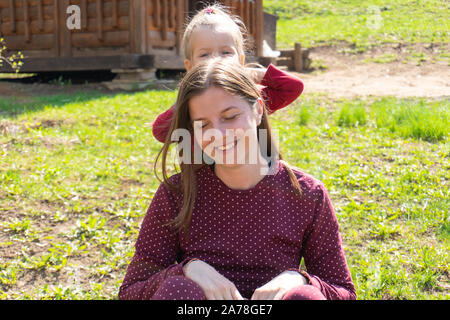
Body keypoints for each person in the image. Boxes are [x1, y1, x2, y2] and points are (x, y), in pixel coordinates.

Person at [118, 59, 356, 300]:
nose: (218, 134)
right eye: (203, 124)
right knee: (177, 290)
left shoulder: (307, 194)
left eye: (230, 117)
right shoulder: (177, 194)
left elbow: (343, 291)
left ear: (258, 109)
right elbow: (130, 292)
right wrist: (186, 270)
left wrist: (301, 279)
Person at [151, 4, 304, 144]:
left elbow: (293, 87)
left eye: (226, 52)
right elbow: (160, 131)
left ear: (241, 60)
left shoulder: (250, 97)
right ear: (190, 67)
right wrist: (186, 98)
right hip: (201, 174)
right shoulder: (193, 105)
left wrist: (251, 74)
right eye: (204, 55)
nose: (216, 59)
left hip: (248, 172)